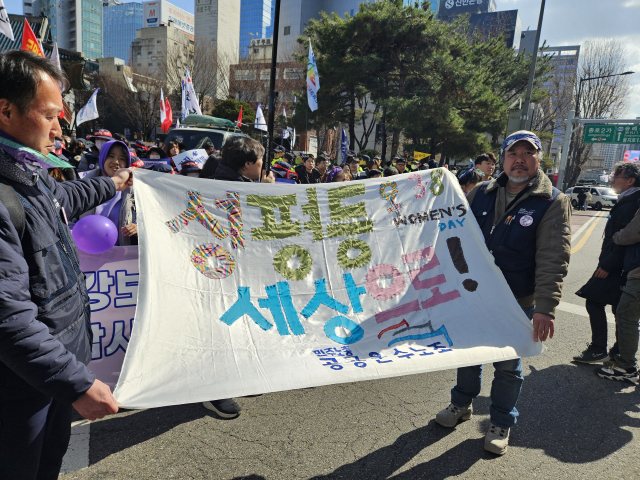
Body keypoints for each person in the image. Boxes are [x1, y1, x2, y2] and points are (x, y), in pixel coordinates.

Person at [0, 50, 130, 479]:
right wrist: (75, 382)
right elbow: (8, 317)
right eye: (51, 115)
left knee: (47, 466)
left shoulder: (28, 174)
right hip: (21, 388)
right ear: (6, 110)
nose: (60, 130)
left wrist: (110, 183)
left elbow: (63, 199)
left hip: (51, 378)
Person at [435, 131, 571, 455]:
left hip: (517, 300)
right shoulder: (481, 192)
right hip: (474, 295)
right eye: (513, 153)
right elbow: (455, 237)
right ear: (503, 158)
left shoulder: (552, 201)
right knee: (469, 353)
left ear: (539, 159)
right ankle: (461, 404)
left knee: (508, 365)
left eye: (528, 153)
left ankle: (500, 422)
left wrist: (546, 307)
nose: (520, 160)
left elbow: (554, 256)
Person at [203, 136, 273, 418]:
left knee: (240, 326)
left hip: (237, 270)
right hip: (221, 271)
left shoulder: (224, 180)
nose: (263, 166)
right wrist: (265, 194)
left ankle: (237, 376)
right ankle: (214, 390)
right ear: (247, 165)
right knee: (221, 330)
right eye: (260, 161)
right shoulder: (229, 188)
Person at [573, 162, 640, 364]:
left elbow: (625, 240)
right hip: (620, 265)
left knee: (595, 301)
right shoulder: (628, 200)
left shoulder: (632, 204)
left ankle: (601, 349)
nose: (612, 180)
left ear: (630, 181)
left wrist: (607, 265)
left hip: (618, 266)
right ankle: (617, 351)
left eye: (616, 176)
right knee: (617, 307)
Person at [81, 140, 138, 246]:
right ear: (102, 158)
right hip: (89, 254)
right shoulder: (84, 186)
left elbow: (149, 217)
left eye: (122, 159)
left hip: (121, 256)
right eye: (111, 156)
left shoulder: (134, 189)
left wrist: (137, 226)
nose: (116, 162)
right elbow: (67, 219)